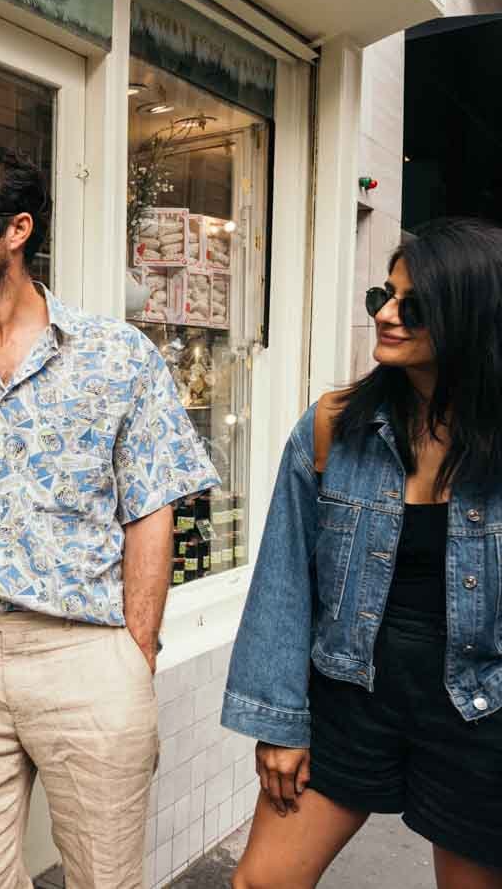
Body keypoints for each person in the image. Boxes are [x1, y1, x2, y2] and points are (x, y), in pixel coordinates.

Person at [0, 142, 219, 889]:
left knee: (106, 879)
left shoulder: (117, 355)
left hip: (86, 652)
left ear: (17, 229)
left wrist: (136, 647)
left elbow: (151, 509)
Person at [222, 218, 502, 889]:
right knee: (261, 882)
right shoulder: (333, 427)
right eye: (384, 293)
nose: (386, 313)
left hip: (480, 709)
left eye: (414, 304)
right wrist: (281, 724)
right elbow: (285, 581)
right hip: (352, 693)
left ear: (472, 315)